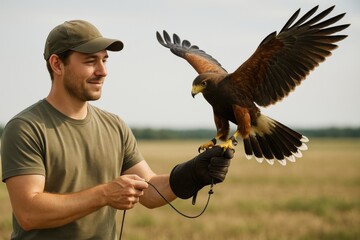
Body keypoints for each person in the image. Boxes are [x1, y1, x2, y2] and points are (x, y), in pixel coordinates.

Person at [0, 20, 233, 239]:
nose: (103, 71)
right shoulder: (25, 128)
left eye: (105, 60)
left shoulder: (115, 126)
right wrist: (105, 194)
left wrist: (191, 173)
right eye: (91, 61)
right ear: (57, 64)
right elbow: (29, 213)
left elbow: (150, 192)